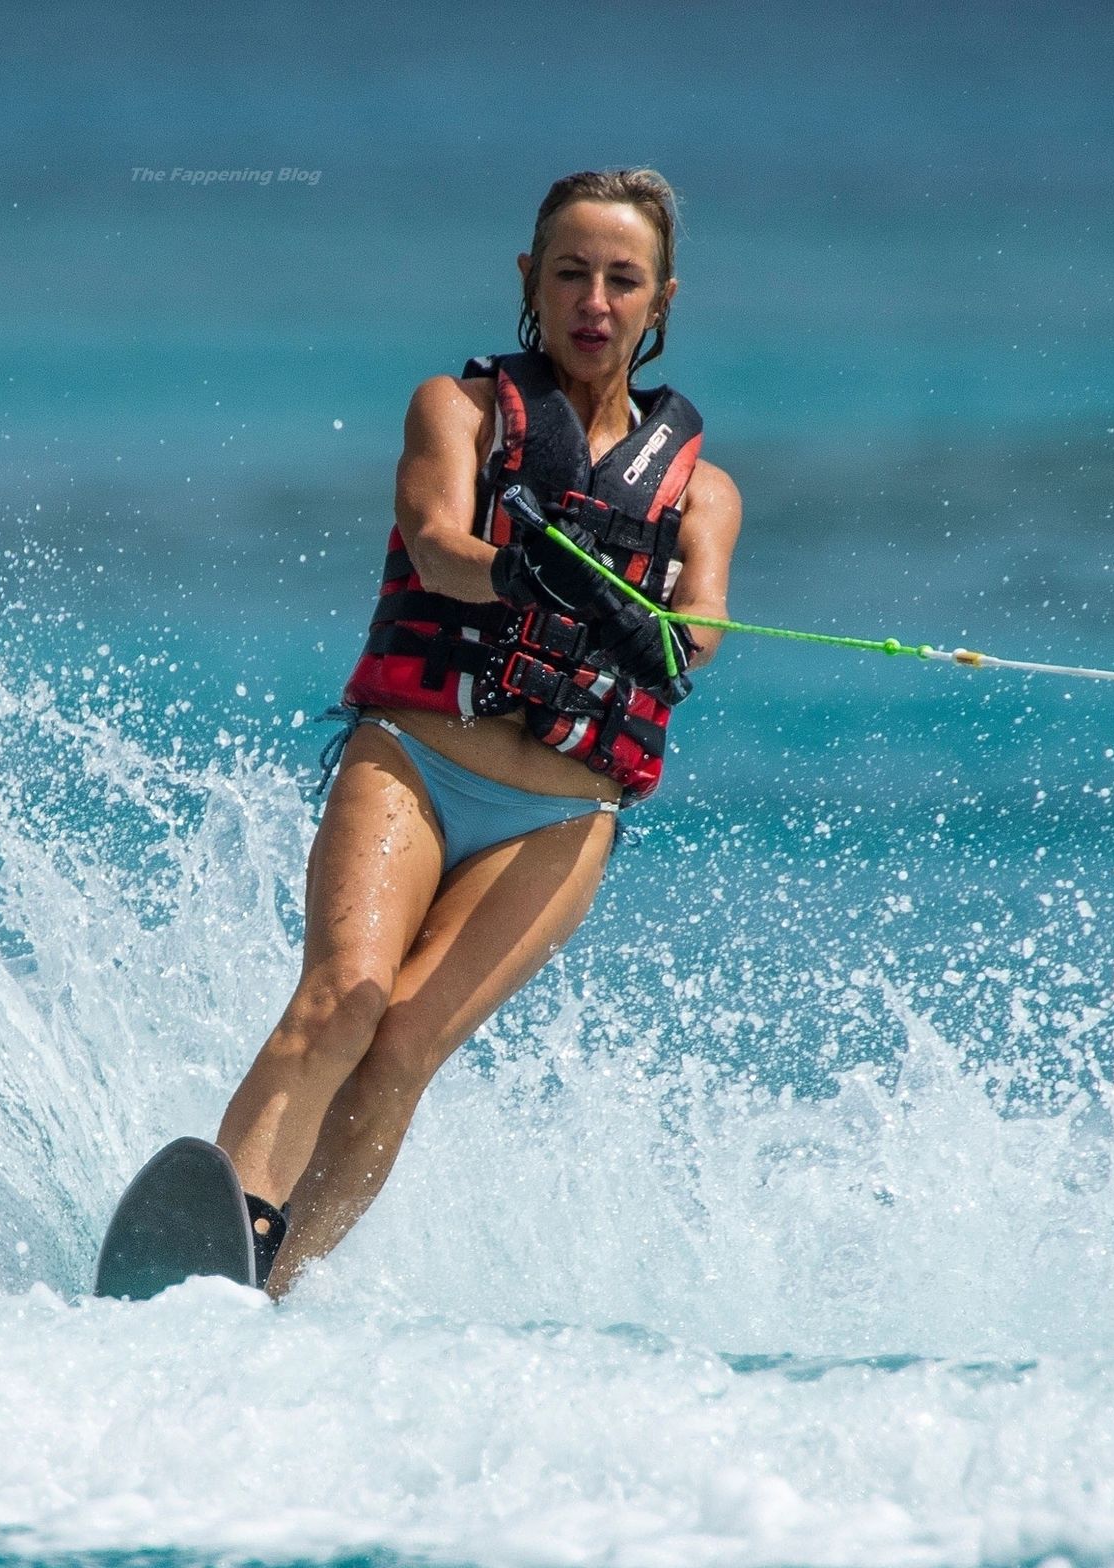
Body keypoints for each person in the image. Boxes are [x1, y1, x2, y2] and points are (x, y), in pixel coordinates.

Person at [214, 167, 743, 1297]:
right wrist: (527, 566)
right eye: (570, 273)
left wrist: (661, 635)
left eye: (623, 279)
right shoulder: (453, 411)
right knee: (345, 997)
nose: (594, 301)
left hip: (560, 815)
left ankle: (275, 1285)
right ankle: (216, 1248)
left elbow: (698, 632)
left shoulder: (706, 495)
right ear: (530, 281)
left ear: (661, 301)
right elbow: (438, 541)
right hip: (416, 759)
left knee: (402, 1048)